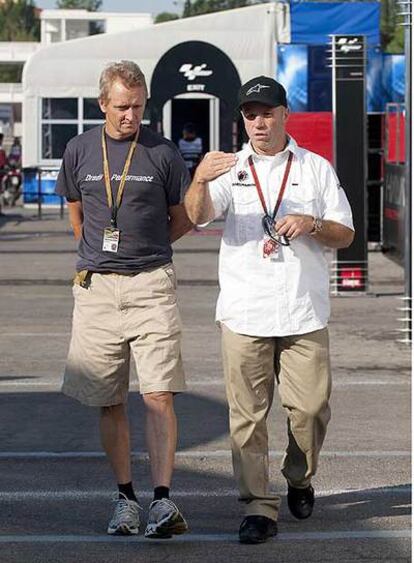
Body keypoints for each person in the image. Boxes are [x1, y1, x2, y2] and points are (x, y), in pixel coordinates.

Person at [184, 76, 354, 544]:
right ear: (242, 119)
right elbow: (197, 215)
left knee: (312, 409)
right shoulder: (229, 167)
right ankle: (258, 505)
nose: (257, 122)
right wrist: (199, 178)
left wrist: (312, 222)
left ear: (284, 114)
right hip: (244, 310)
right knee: (247, 417)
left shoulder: (315, 167)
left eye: (266, 112)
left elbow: (346, 233)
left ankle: (298, 476)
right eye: (249, 114)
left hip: (303, 311)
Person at [55, 60, 193, 539]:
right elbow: (76, 211)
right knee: (108, 399)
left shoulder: (162, 152)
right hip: (96, 288)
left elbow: (183, 217)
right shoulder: (78, 149)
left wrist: (151, 250)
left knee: (158, 394)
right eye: (121, 107)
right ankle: (125, 499)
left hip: (151, 283)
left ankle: (161, 501)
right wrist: (95, 254)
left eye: (137, 106)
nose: (130, 115)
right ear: (102, 105)